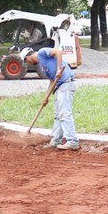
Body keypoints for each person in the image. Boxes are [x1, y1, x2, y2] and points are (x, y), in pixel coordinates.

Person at [25, 22, 79, 150]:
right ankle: (56, 140)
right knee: (58, 114)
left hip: (66, 82)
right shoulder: (42, 67)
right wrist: (46, 97)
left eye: (26, 61)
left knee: (64, 113)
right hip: (59, 86)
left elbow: (58, 52)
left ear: (28, 57)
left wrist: (58, 68)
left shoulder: (42, 52)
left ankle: (72, 141)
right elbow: (51, 80)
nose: (28, 64)